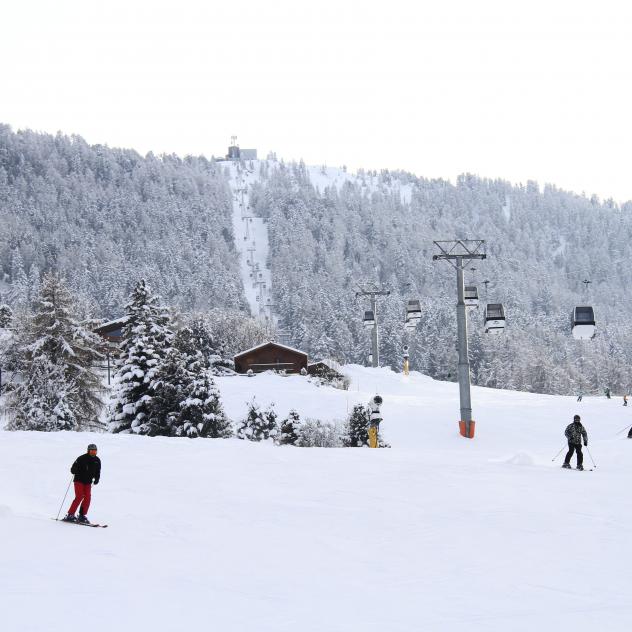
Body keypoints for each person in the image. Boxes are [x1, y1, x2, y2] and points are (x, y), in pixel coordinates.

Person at [63, 444, 101, 524]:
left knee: (87, 497)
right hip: (79, 480)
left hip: (88, 482)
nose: (93, 452)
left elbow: (98, 471)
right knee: (79, 496)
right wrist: (74, 470)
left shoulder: (97, 460)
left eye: (95, 451)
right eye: (92, 451)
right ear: (88, 451)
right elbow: (73, 469)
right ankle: (70, 515)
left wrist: (97, 479)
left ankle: (82, 515)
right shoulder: (81, 458)